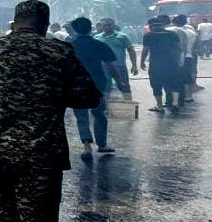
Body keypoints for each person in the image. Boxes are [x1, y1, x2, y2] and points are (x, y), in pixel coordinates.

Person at [0, 0, 101, 222]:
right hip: (41, 150)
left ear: (15, 22)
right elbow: (88, 97)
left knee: (4, 205)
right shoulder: (57, 52)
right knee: (39, 218)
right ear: (45, 24)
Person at [70, 17, 130, 158]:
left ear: (74, 29)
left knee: (81, 115)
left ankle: (86, 146)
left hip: (76, 84)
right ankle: (102, 144)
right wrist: (119, 82)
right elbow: (111, 66)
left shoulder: (68, 45)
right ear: (91, 28)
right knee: (99, 114)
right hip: (97, 83)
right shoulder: (99, 44)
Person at [141, 18, 181, 113]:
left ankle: (160, 106)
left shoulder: (148, 36)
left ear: (150, 26)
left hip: (156, 64)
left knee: (156, 84)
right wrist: (177, 60)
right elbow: (178, 48)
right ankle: (175, 103)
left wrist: (142, 61)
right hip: (171, 63)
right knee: (174, 83)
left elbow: (145, 49)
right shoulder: (172, 34)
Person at [94, 18, 139, 96]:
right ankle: (106, 107)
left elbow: (131, 51)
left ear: (114, 25)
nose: (107, 27)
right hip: (103, 67)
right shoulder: (97, 38)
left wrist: (134, 65)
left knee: (124, 87)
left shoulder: (122, 37)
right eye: (105, 25)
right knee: (105, 88)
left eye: (109, 25)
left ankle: (129, 105)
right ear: (102, 26)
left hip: (119, 66)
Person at [172, 15, 197, 104]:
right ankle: (188, 96)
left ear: (175, 23)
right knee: (187, 77)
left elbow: (181, 46)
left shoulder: (177, 31)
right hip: (189, 56)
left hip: (181, 57)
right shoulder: (191, 32)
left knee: (179, 77)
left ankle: (181, 97)